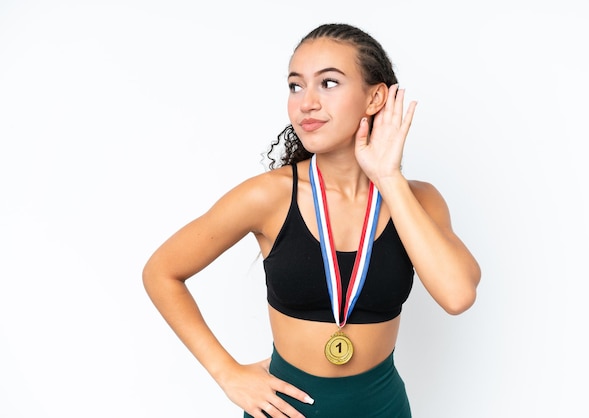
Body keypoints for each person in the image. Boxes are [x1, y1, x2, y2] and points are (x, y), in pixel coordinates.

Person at [142, 23, 481, 418]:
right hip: (285, 410)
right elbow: (161, 271)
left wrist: (388, 178)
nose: (306, 103)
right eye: (295, 86)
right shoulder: (267, 196)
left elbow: (458, 296)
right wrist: (227, 373)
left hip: (382, 408)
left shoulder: (418, 200)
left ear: (375, 97)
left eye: (329, 83)